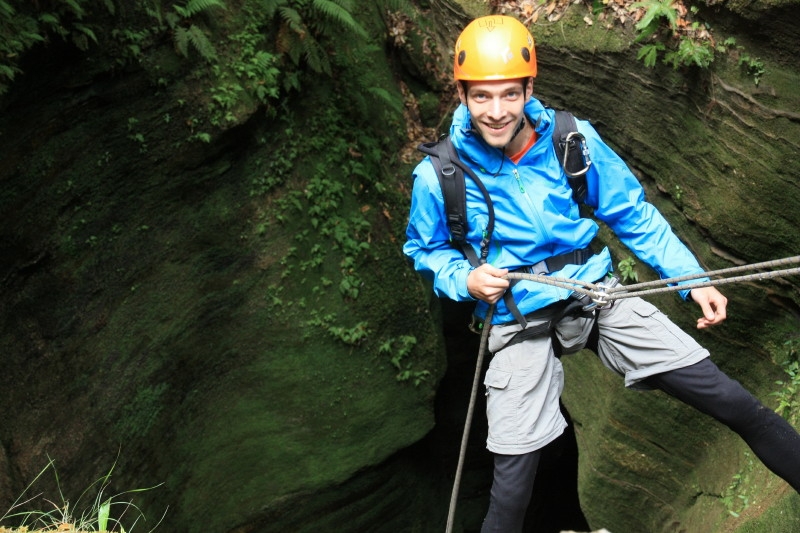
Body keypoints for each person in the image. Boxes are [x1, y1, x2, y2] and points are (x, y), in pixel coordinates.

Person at [403, 14, 800, 532]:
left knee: (730, 399)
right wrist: (465, 279)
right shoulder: (440, 174)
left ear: (529, 87)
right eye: (481, 97)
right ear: (461, 94)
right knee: (512, 485)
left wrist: (691, 279)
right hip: (517, 311)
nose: (496, 112)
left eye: (508, 95)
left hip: (593, 291)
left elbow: (631, 213)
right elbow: (425, 248)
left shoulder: (570, 140)